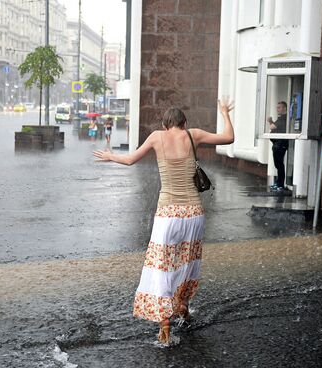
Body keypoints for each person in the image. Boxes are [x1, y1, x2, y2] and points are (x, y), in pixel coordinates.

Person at [93, 97, 235, 344]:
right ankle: (183, 308)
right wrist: (224, 112)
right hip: (194, 215)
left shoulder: (157, 137)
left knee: (162, 265)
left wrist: (110, 156)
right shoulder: (194, 135)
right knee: (187, 262)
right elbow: (228, 138)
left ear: (165, 123)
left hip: (168, 215)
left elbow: (129, 160)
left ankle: (165, 323)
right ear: (184, 122)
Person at [267, 101, 289, 191]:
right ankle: (278, 182)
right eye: (277, 107)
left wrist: (270, 121)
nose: (277, 109)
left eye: (279, 107)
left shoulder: (284, 118)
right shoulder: (280, 118)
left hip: (281, 145)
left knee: (280, 165)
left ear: (284, 108)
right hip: (276, 145)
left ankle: (280, 184)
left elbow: (273, 127)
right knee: (277, 164)